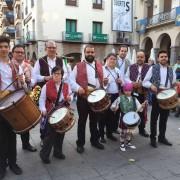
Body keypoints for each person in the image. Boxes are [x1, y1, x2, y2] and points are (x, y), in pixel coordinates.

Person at [70, 44, 106, 154]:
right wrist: (78, 88)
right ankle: (80, 143)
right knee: (82, 121)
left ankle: (94, 140)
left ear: (95, 53)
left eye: (92, 52)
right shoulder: (78, 66)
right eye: (88, 52)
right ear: (84, 54)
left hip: (96, 98)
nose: (90, 54)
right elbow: (70, 81)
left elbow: (103, 81)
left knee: (94, 121)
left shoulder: (100, 65)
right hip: (83, 98)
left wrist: (105, 83)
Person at [32, 40, 71, 141]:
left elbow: (66, 73)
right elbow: (35, 76)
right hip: (45, 91)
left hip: (58, 90)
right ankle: (43, 138)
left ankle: (57, 138)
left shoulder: (61, 60)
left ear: (56, 49)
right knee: (45, 118)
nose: (52, 49)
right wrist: (45, 78)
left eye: (53, 47)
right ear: (46, 49)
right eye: (49, 47)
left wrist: (59, 78)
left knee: (58, 116)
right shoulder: (40, 61)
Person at [0, 36, 24, 179]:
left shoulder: (15, 65)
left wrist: (22, 82)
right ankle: (2, 166)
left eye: (5, 46)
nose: (3, 49)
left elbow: (22, 87)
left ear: (9, 48)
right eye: (1, 46)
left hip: (13, 106)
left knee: (12, 136)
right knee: (1, 138)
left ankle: (13, 163)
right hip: (0, 107)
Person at [143, 50, 177, 148]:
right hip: (156, 95)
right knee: (154, 118)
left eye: (165, 56)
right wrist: (151, 86)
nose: (164, 58)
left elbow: (173, 83)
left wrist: (174, 90)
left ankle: (162, 137)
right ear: (158, 58)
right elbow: (145, 81)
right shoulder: (153, 68)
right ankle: (153, 138)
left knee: (164, 118)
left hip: (167, 96)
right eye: (161, 57)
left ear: (168, 58)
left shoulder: (171, 69)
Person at [39, 66, 73, 164]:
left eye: (59, 74)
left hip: (63, 111)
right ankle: (44, 154)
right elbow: (42, 99)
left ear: (62, 75)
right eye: (55, 74)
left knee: (61, 133)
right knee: (50, 135)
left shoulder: (66, 85)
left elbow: (70, 95)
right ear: (52, 75)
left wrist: (69, 97)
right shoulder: (47, 85)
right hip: (51, 111)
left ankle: (57, 152)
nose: (57, 76)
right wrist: (43, 109)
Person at [11, 44, 37, 152]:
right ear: (13, 53)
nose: (20, 54)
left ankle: (26, 144)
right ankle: (10, 151)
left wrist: (29, 80)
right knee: (11, 125)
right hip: (10, 99)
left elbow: (33, 81)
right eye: (17, 52)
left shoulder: (28, 66)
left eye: (22, 52)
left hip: (24, 96)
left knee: (25, 122)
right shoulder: (9, 65)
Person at [111, 83, 146, 152]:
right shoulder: (120, 98)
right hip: (123, 117)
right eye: (126, 90)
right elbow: (114, 106)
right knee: (123, 132)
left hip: (132, 117)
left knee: (130, 132)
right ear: (123, 90)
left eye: (129, 90)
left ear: (131, 90)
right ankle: (122, 144)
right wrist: (114, 107)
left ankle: (128, 143)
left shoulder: (134, 98)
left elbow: (139, 108)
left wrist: (142, 106)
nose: (127, 92)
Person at [99, 53, 123, 143]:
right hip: (105, 96)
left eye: (114, 59)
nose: (112, 60)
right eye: (111, 59)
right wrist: (104, 83)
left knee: (112, 116)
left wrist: (120, 82)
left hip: (116, 95)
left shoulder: (118, 71)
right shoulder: (102, 70)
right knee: (102, 117)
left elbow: (122, 83)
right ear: (107, 59)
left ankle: (109, 134)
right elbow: (99, 85)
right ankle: (101, 136)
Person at [125, 50, 150, 137]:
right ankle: (130, 129)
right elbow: (126, 77)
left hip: (144, 93)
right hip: (133, 93)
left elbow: (150, 80)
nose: (139, 58)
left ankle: (142, 129)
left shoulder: (149, 67)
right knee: (131, 111)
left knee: (142, 112)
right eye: (138, 57)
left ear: (144, 58)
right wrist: (132, 83)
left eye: (141, 57)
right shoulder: (131, 67)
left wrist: (142, 83)